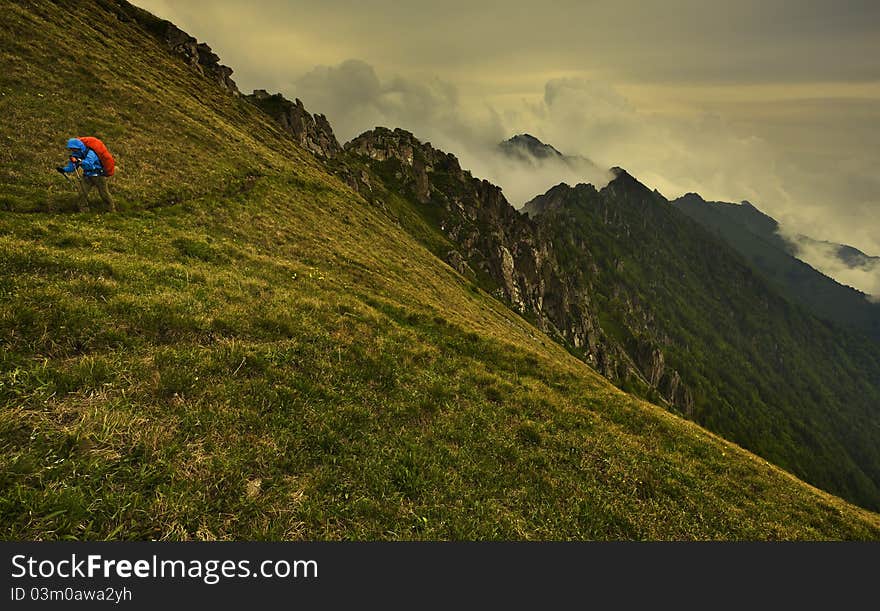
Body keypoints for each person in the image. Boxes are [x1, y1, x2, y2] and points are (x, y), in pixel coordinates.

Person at [56, 138, 116, 212]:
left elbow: (89, 163)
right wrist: (64, 170)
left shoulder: (91, 153)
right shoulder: (76, 155)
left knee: (104, 194)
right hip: (87, 176)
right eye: (71, 149)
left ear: (79, 147)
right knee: (81, 194)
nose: (73, 150)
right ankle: (84, 211)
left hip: (98, 176)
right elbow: (72, 167)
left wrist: (78, 161)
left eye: (74, 148)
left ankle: (111, 210)